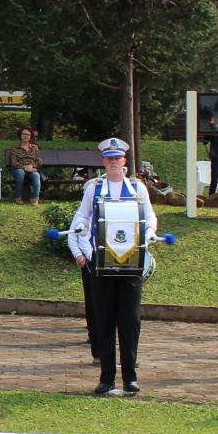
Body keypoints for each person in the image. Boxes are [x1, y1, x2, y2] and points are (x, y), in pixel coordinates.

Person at [68, 138, 159, 396]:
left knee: (130, 320)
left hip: (131, 265)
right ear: (103, 162)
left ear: (124, 161)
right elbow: (82, 217)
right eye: (109, 159)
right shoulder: (94, 189)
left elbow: (150, 216)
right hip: (102, 265)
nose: (113, 162)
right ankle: (106, 378)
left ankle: (130, 377)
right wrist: (83, 238)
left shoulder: (138, 188)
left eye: (117, 158)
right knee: (104, 320)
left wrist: (150, 232)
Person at [8, 128, 43, 205]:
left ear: (30, 137)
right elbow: (14, 163)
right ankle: (18, 197)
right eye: (24, 134)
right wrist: (24, 167)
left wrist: (32, 166)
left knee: (36, 175)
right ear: (20, 136)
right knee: (20, 173)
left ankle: (35, 199)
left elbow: (39, 162)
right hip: (18, 169)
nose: (26, 136)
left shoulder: (34, 147)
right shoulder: (15, 148)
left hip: (31, 170)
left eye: (28, 134)